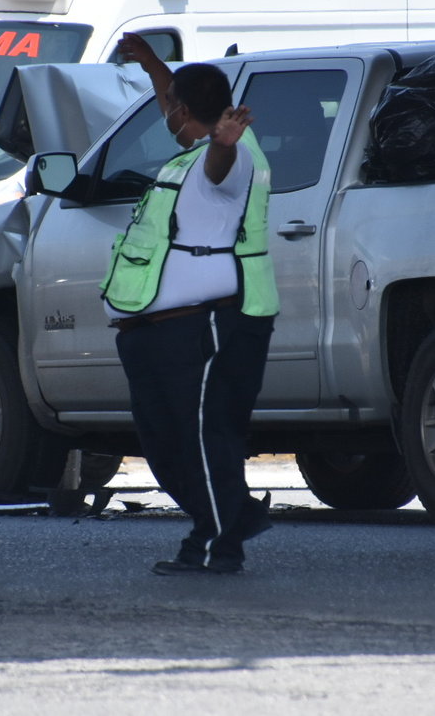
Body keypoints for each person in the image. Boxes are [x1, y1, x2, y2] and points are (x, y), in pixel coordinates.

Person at [104, 33, 278, 575]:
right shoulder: (191, 151)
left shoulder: (228, 158)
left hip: (202, 325)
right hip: (157, 327)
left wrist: (225, 142)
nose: (166, 112)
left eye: (172, 105)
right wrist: (155, 64)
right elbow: (173, 104)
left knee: (203, 437)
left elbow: (220, 168)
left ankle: (216, 540)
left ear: (185, 110)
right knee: (165, 440)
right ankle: (232, 514)